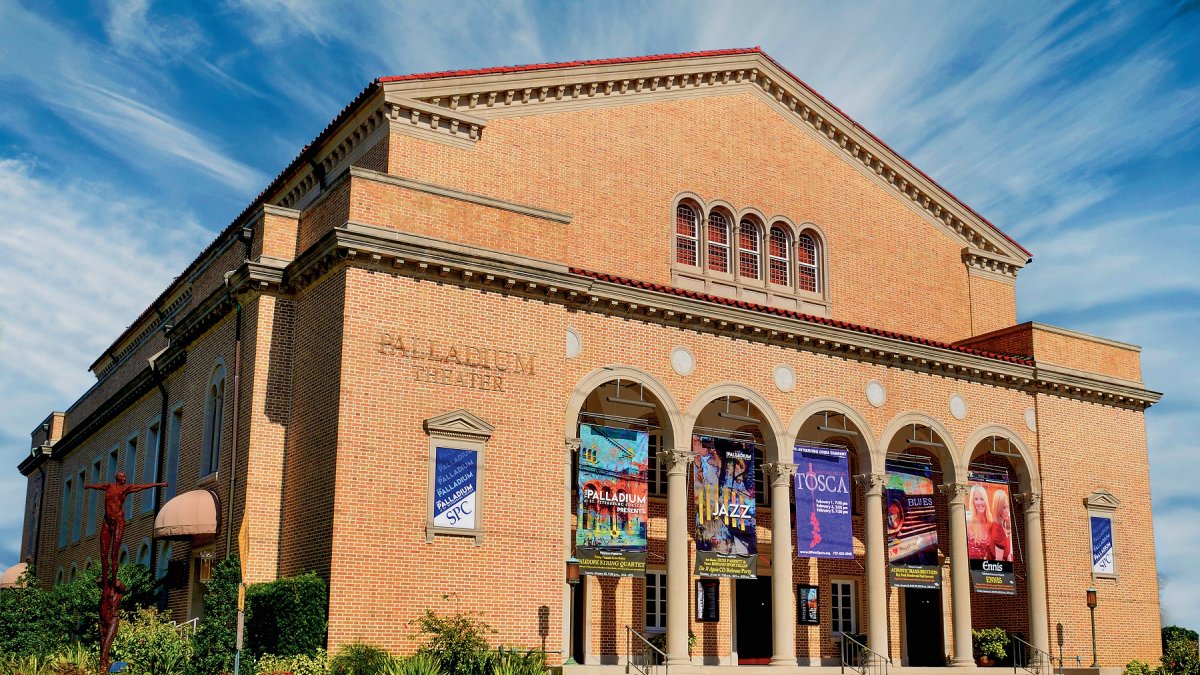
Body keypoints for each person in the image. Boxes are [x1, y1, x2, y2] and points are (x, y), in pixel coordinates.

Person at [966, 483, 992, 559]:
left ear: (986, 500)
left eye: (982, 499)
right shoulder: (968, 521)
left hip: (985, 567)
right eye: (976, 499)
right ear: (973, 501)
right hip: (967, 565)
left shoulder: (991, 523)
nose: (979, 503)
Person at [989, 489, 1014, 562]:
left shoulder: (1000, 525)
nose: (1007, 511)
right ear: (998, 508)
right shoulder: (998, 530)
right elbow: (999, 562)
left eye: (1007, 507)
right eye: (1003, 508)